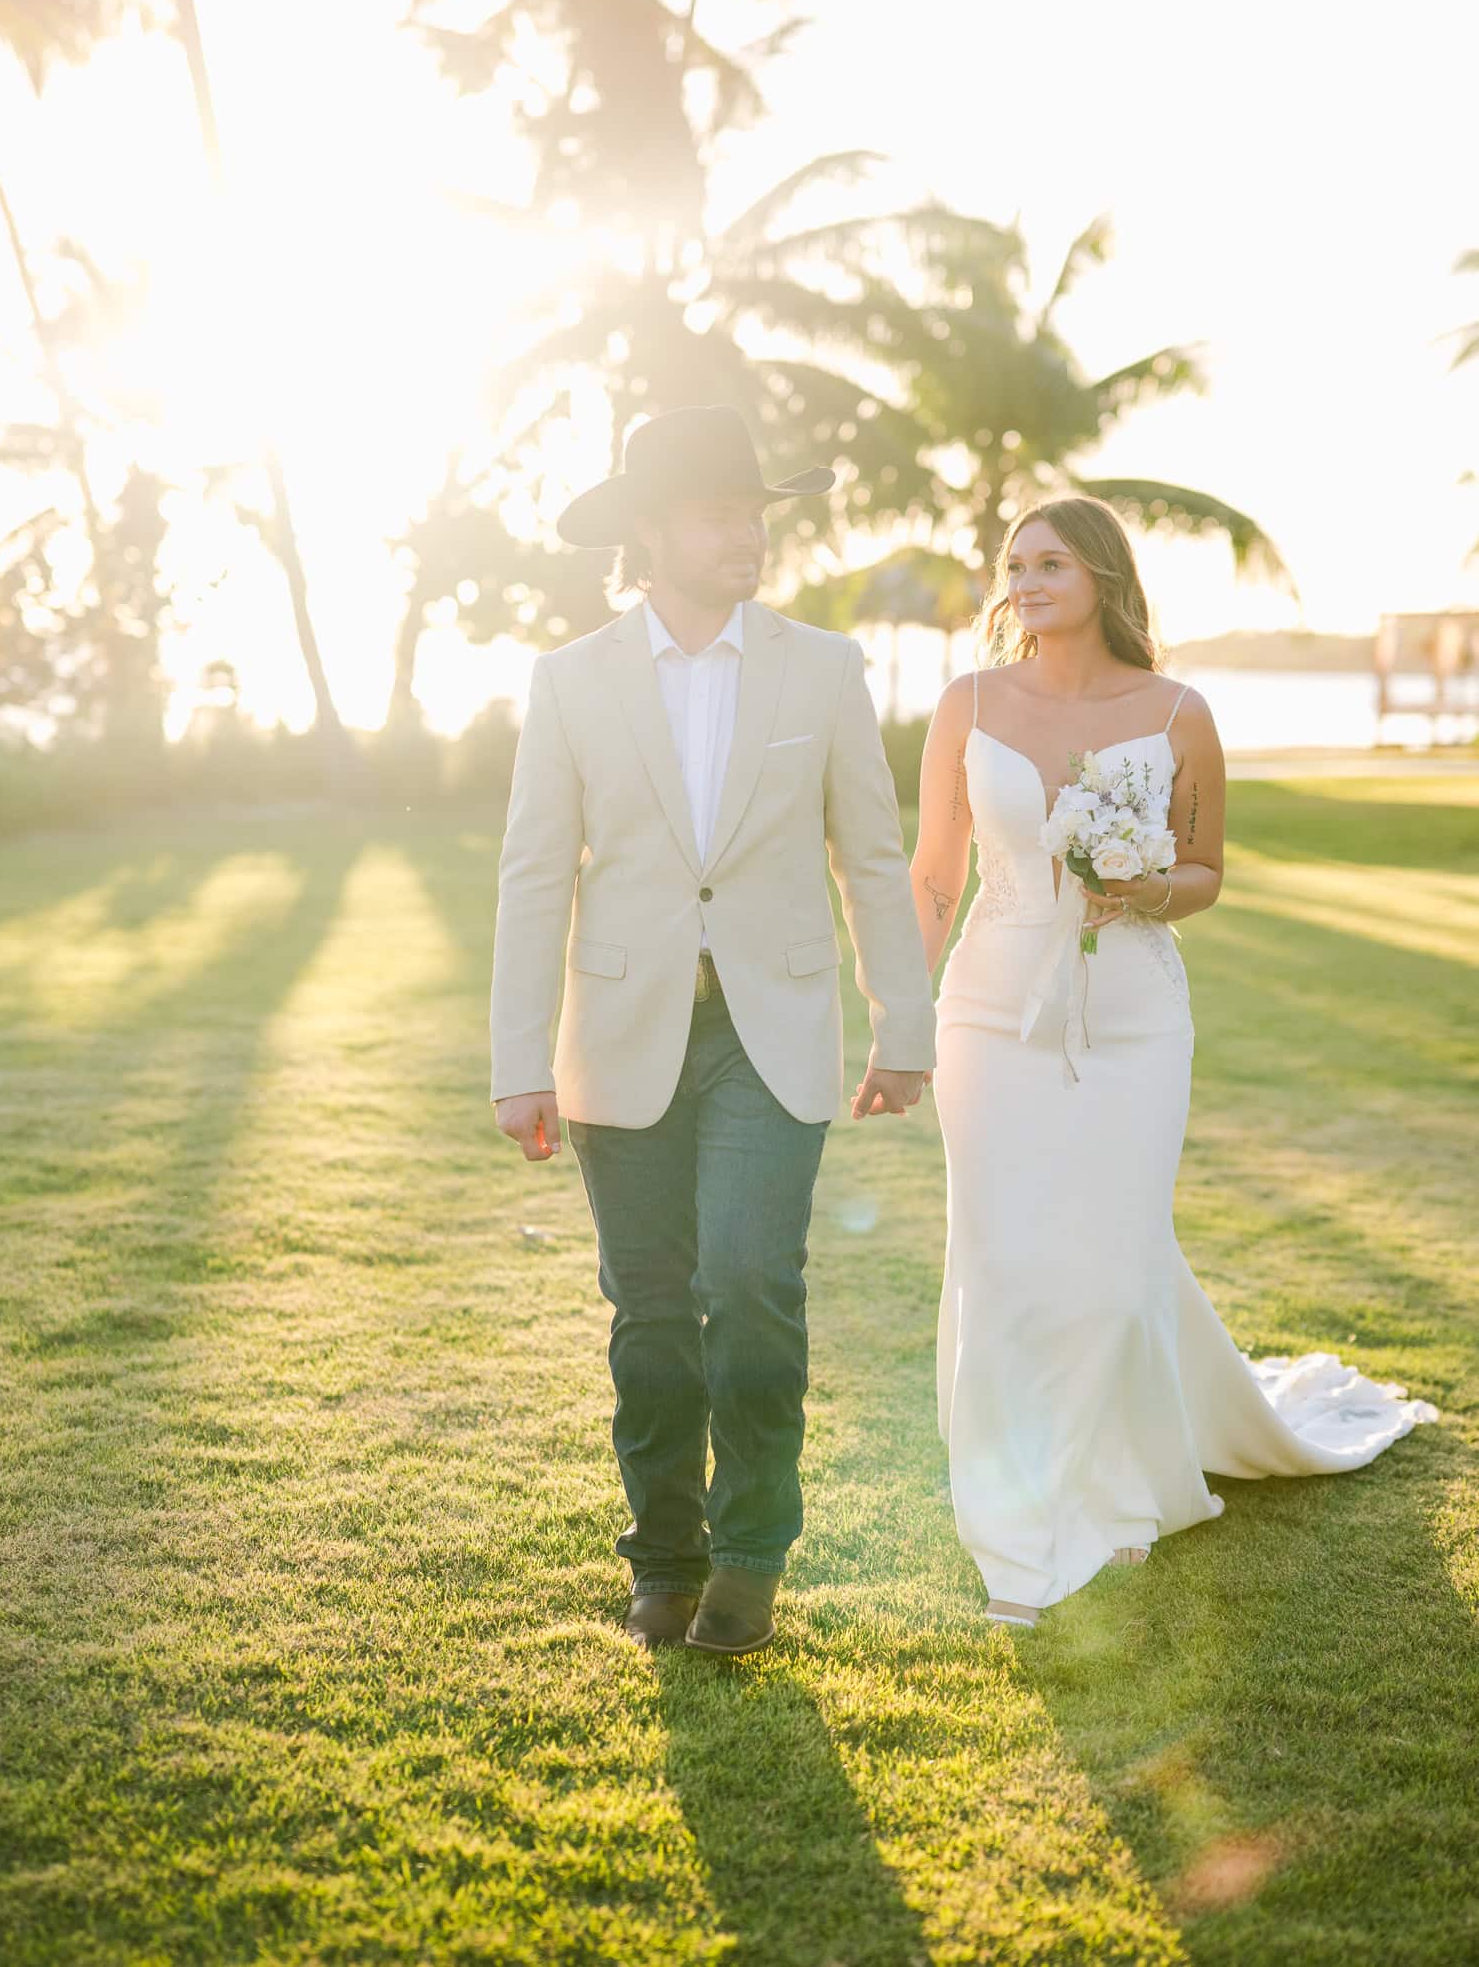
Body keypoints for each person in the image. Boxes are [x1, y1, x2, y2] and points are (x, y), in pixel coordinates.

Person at [908, 495, 1436, 1628]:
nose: (1028, 578)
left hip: (1135, 1016)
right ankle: (1021, 1537)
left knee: (1107, 1266)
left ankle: (1117, 1482)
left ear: (1102, 573)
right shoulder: (968, 703)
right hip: (989, 1015)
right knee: (1001, 1267)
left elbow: (1204, 869)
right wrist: (903, 1015)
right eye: (1015, 564)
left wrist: (1147, 888)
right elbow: (935, 878)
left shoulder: (1180, 712)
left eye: (1051, 560)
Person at [490, 405, 937, 1654]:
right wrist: (518, 1061)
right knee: (648, 1314)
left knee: (749, 1285)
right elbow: (535, 873)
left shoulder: (823, 667)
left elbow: (873, 852)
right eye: (717, 512)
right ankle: (665, 1560)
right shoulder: (570, 679)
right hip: (620, 1037)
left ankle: (748, 1557)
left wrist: (905, 1023)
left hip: (772, 1031)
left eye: (756, 511)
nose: (746, 533)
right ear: (651, 532)